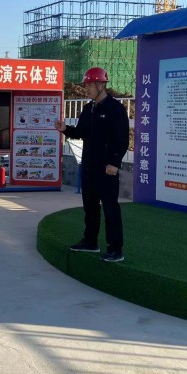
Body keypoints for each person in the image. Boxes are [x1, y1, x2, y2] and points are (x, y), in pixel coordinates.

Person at [54, 67, 129, 263]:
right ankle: (90, 241)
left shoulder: (116, 109)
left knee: (110, 209)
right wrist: (65, 129)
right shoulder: (88, 109)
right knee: (90, 207)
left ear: (101, 85)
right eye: (85, 85)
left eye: (89, 85)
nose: (86, 89)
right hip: (89, 167)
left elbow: (121, 140)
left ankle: (115, 249)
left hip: (107, 169)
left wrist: (114, 163)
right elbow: (81, 133)